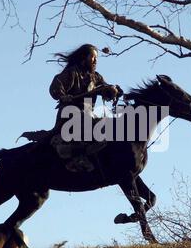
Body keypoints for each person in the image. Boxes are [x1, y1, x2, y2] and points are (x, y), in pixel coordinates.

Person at [21, 44, 121, 172]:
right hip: (70, 114)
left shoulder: (96, 77)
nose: (95, 61)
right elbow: (56, 86)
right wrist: (63, 96)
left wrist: (113, 90)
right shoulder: (72, 72)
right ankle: (76, 157)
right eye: (93, 57)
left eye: (97, 58)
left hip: (88, 114)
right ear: (83, 58)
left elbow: (105, 89)